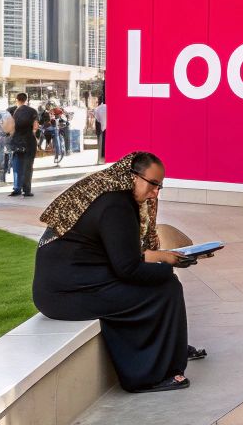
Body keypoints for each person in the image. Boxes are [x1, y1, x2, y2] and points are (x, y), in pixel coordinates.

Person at [31, 152, 207, 392]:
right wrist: (165, 268)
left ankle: (171, 350)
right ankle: (146, 377)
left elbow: (124, 256)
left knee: (165, 282)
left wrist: (166, 259)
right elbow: (128, 268)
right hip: (66, 293)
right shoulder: (116, 205)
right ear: (132, 177)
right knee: (165, 288)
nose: (156, 192)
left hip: (75, 283)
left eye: (160, 186)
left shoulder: (112, 196)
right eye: (153, 184)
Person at [7, 93, 39, 196]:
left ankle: (17, 188)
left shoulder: (11, 111)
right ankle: (27, 190)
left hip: (17, 142)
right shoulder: (32, 111)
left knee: (16, 165)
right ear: (26, 100)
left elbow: (9, 128)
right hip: (29, 141)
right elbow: (35, 126)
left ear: (17, 99)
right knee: (28, 166)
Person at [94, 97, 108, 164]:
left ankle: (99, 160)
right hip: (108, 129)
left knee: (100, 146)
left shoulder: (98, 109)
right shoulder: (110, 107)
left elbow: (97, 120)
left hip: (101, 129)